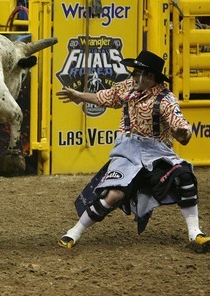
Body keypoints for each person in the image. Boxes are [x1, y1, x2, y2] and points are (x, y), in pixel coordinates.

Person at [55, 50, 209, 252]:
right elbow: (104, 97)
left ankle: (195, 232)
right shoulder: (127, 88)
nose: (135, 76)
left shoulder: (165, 99)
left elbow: (180, 125)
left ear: (151, 78)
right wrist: (79, 96)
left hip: (157, 153)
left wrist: (183, 134)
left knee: (184, 177)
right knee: (114, 194)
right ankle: (73, 232)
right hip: (127, 151)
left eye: (139, 73)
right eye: (135, 72)